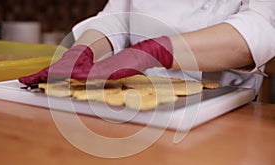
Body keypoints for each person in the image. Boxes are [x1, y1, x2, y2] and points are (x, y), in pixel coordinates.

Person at [19, 0, 275, 94]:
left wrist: (156, 51)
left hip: (224, 109)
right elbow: (117, 15)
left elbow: (259, 30)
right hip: (134, 100)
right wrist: (82, 50)